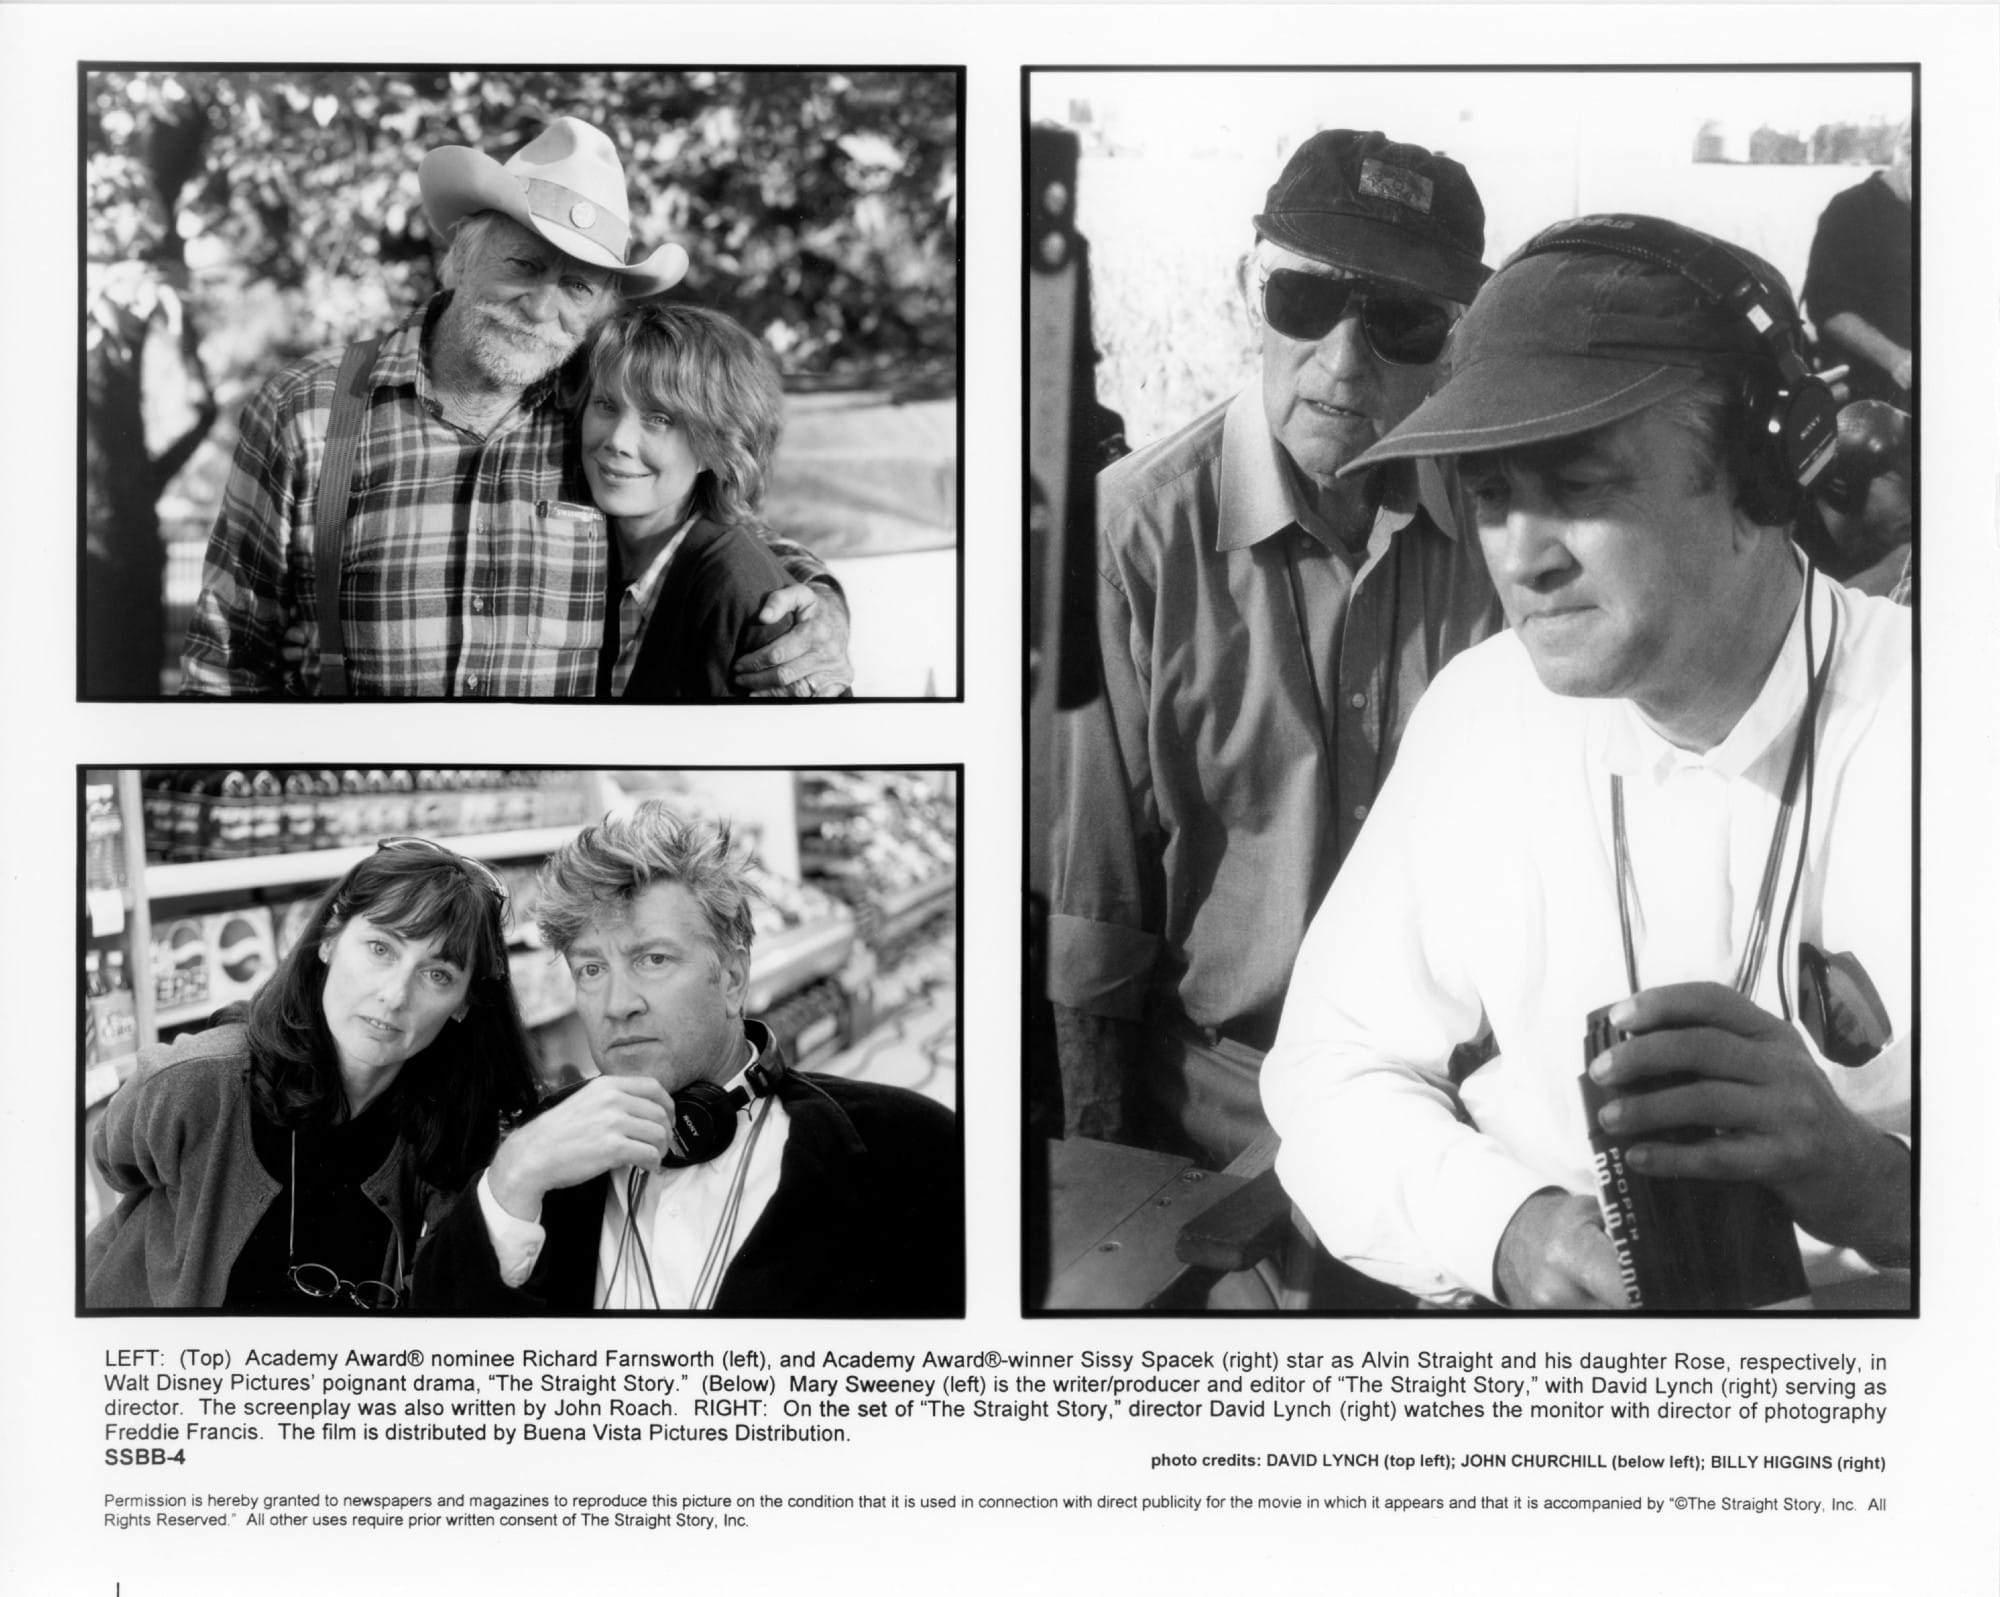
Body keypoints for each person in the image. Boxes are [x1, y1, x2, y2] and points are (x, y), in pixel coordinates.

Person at [1261, 216, 1911, 1310]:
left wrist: (1876, 1190)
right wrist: (1508, 1229)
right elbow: (1329, 1068)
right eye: (1488, 496)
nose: (1520, 557)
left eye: (1576, 485)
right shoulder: (1481, 710)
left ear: (1758, 475)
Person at [1047, 130, 1502, 1167]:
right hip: (1223, 1111)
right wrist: (1111, 1186)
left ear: (1455, 342)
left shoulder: (1505, 529)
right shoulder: (1126, 539)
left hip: (1467, 1106)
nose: (1343, 362)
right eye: (1304, 302)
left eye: (1399, 321)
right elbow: (1094, 924)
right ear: (1246, 294)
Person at [179, 116, 852, 698]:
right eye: (524, 266)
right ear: (459, 258)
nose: (542, 308)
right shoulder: (308, 412)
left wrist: (820, 600)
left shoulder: (600, 411)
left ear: (602, 308)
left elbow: (711, 523)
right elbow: (226, 660)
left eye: (577, 287)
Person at [414, 804, 961, 1314]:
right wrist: (510, 1180)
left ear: (732, 977)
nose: (617, 1005)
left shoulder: (913, 1147)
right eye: (591, 969)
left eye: (651, 959)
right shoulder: (538, 1149)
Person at [86, 839, 540, 1309]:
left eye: (437, 974)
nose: (394, 994)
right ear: (328, 939)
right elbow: (113, 1161)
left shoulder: (450, 1129)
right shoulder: (197, 1081)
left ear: (465, 1004)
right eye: (381, 948)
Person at [580, 302, 840, 699]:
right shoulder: (601, 548)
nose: (617, 440)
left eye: (659, 419)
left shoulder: (741, 589)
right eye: (606, 405)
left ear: (717, 445)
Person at [1803, 121, 1912, 409]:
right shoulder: (1852, 209)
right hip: (1866, 390)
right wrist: (1898, 360)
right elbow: (1828, 309)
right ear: (1906, 154)